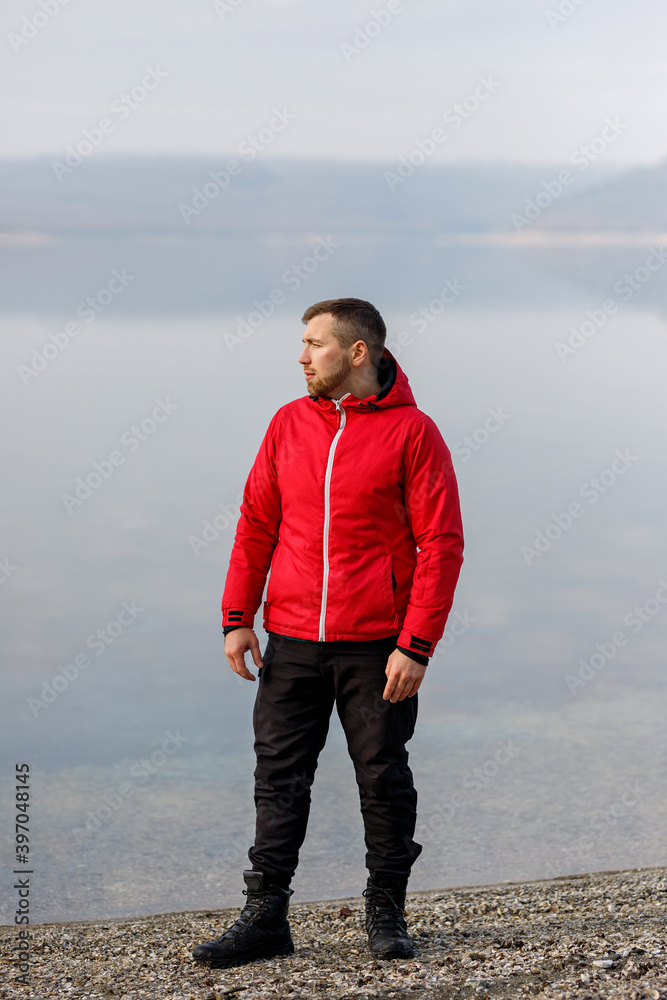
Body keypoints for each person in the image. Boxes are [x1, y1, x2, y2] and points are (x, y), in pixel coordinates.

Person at [192, 298, 464, 968]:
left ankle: (385, 910)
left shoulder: (414, 433)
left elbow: (441, 544)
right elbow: (256, 523)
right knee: (278, 776)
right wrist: (237, 617)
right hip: (290, 640)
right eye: (304, 342)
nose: (302, 355)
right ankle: (265, 917)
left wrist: (416, 645)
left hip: (378, 647)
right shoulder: (288, 423)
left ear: (357, 352)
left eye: (315, 343)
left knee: (381, 777)